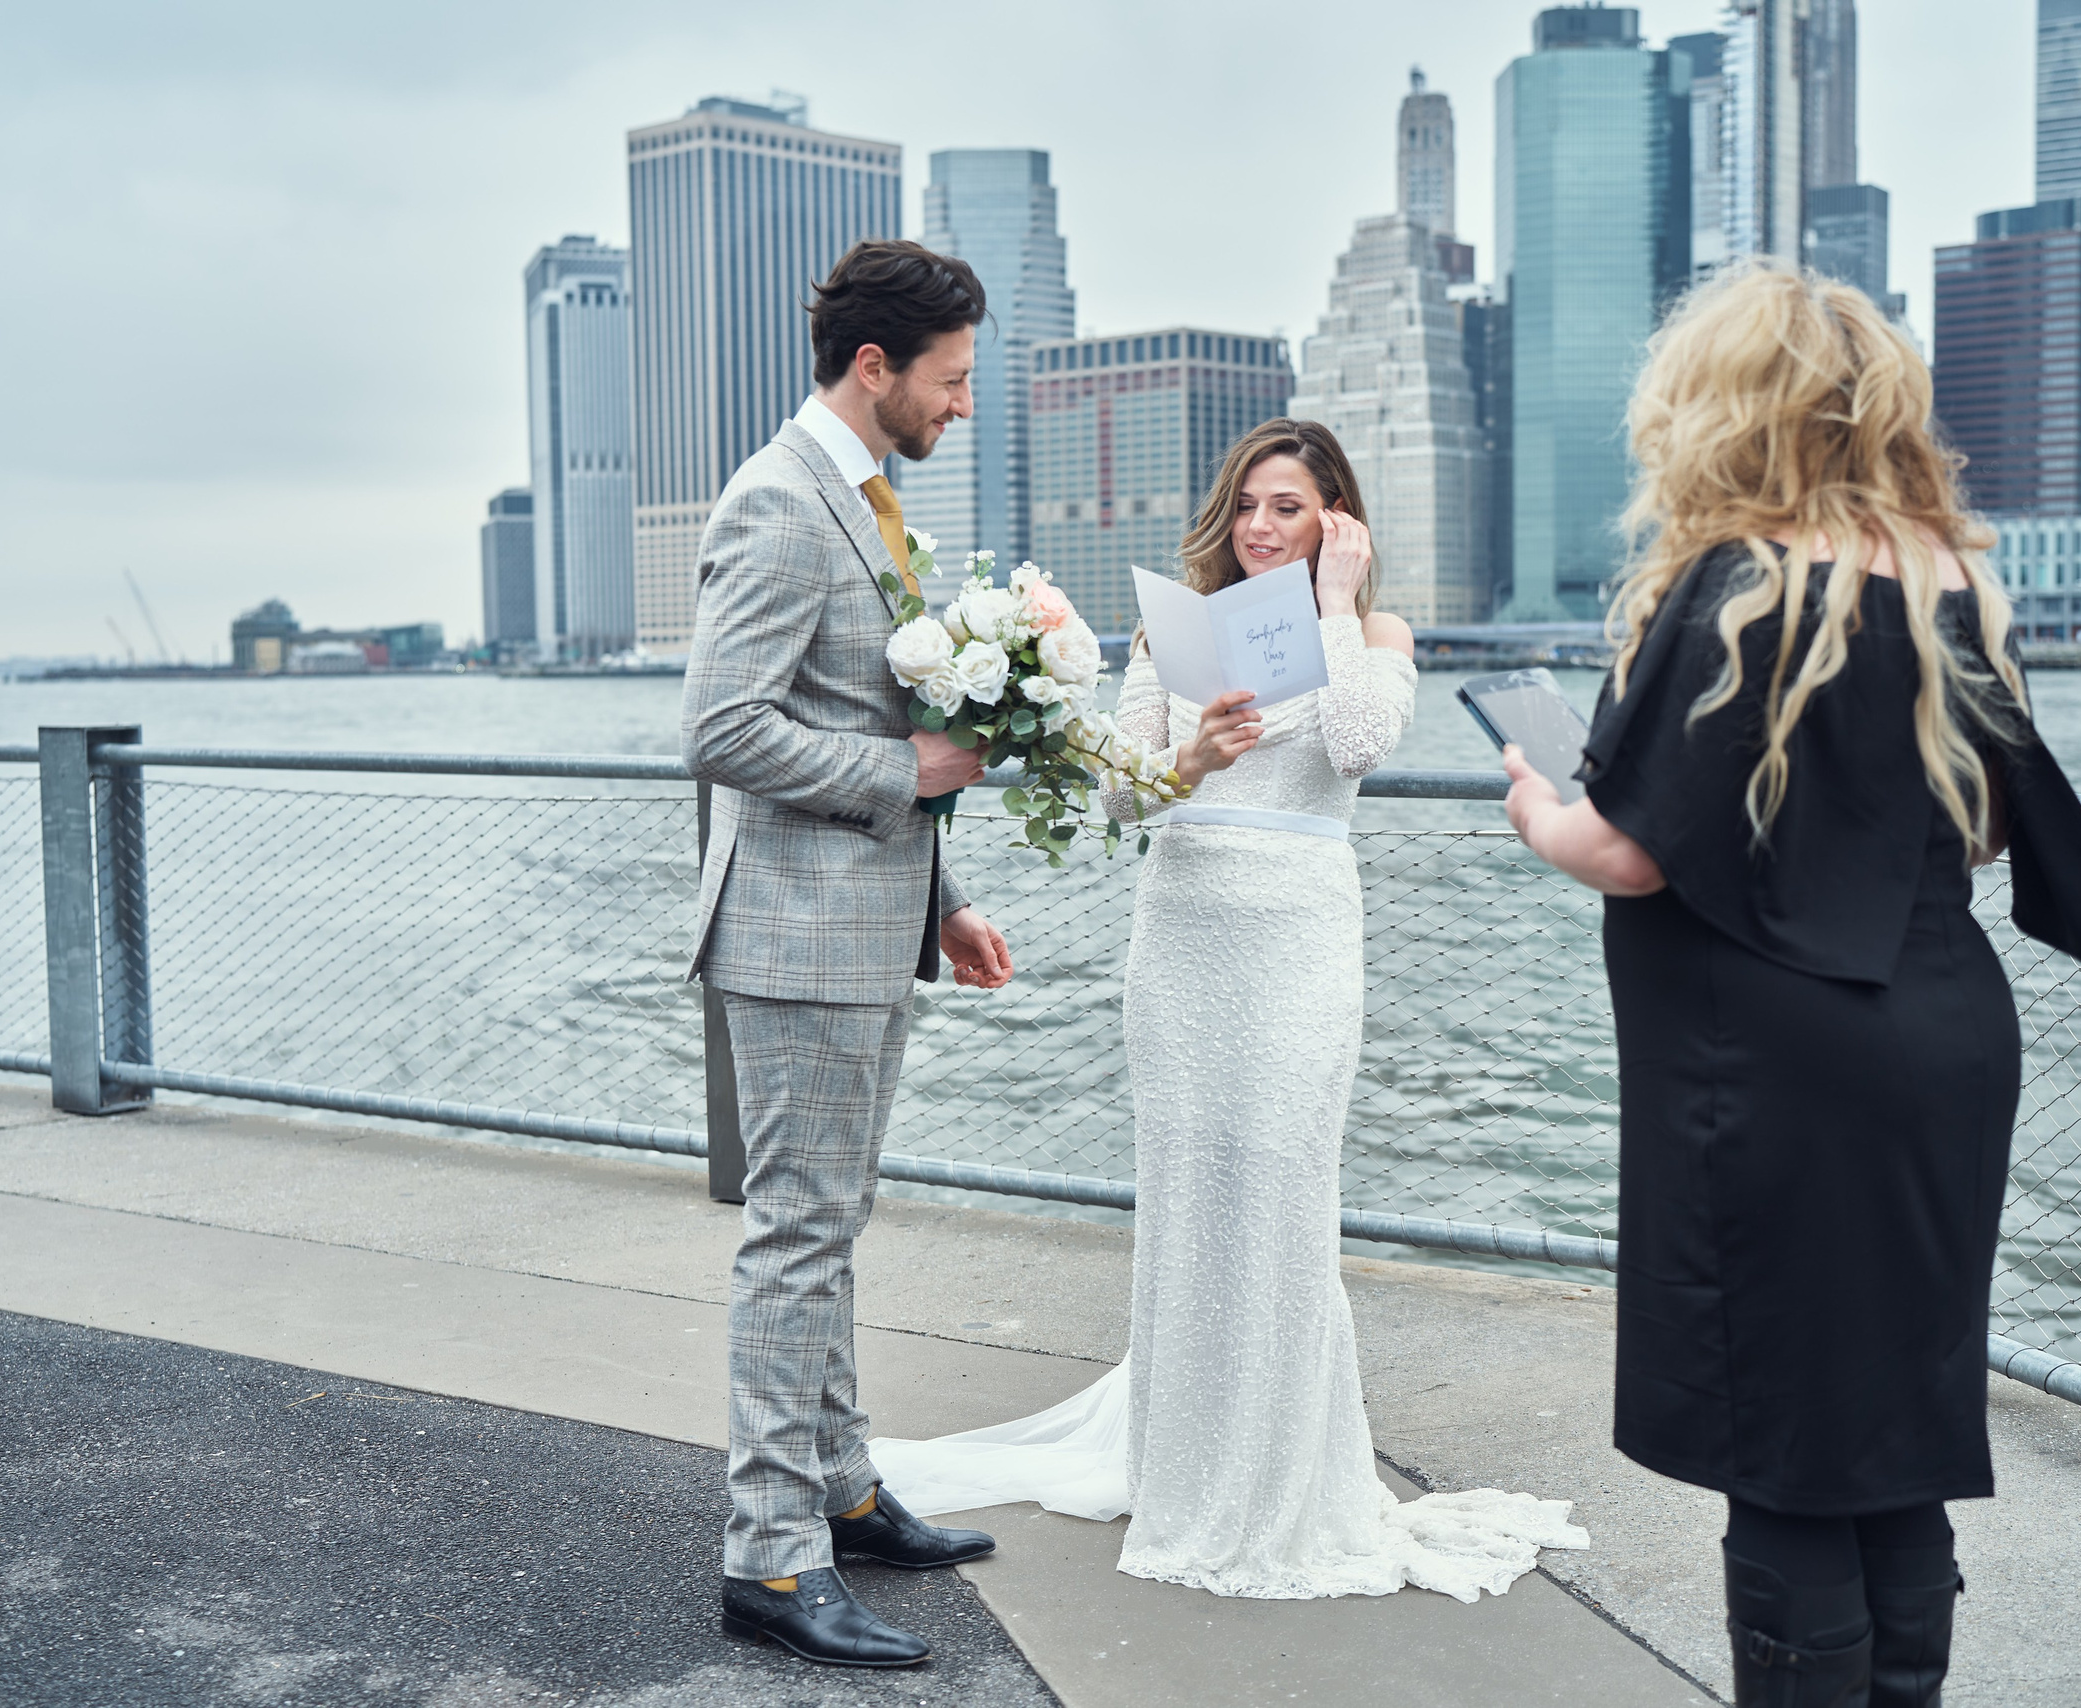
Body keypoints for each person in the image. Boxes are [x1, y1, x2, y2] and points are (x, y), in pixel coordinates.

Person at [1501, 262, 2081, 1705]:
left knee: (1786, 1449)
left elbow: (1626, 853)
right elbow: (1981, 828)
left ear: (1719, 408)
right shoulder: (1953, 578)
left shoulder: (1734, 582)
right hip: (1944, 1035)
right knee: (1889, 1436)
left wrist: (1535, 804)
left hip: (1771, 1059)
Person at [869, 419, 1592, 1602]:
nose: (1262, 525)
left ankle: (1277, 1464)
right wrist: (1194, 757)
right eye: (1250, 503)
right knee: (1193, 1182)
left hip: (1302, 930)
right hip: (1187, 932)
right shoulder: (1177, 629)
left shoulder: (1373, 632)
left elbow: (1357, 743)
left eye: (1291, 508)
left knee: (1282, 1176)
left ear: (1334, 521)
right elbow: (1115, 799)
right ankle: (1185, 1453)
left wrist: (1339, 605)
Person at [680, 238, 1020, 1671]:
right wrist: (913, 773)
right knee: (797, 1243)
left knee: (830, 1230)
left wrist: (939, 895)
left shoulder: (869, 501)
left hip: (869, 922)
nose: (959, 409)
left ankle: (842, 1485)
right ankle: (770, 1558)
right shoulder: (779, 501)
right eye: (947, 382)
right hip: (796, 935)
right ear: (873, 367)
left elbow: (869, 720)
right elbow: (725, 727)